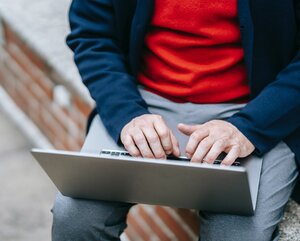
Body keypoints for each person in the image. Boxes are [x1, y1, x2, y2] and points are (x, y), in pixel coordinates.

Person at [52, 0, 300, 240]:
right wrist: (127, 114)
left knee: (237, 235)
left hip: (257, 108)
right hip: (142, 102)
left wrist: (251, 126)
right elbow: (92, 36)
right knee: (75, 217)